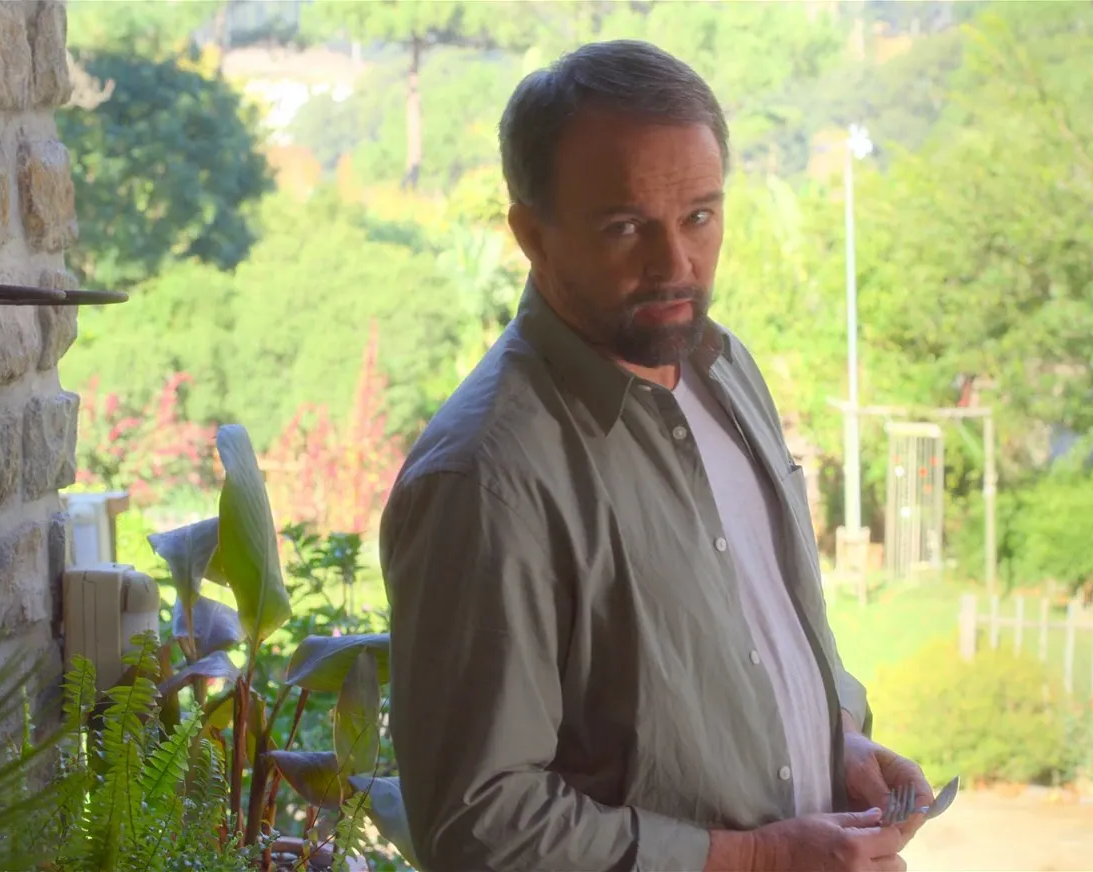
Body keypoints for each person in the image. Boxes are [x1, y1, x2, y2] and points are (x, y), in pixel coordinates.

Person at [379, 39, 932, 872]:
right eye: (626, 226)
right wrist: (755, 860)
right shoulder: (487, 479)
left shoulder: (726, 369)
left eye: (699, 217)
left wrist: (837, 740)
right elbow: (479, 826)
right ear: (532, 234)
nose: (675, 264)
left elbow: (756, 631)